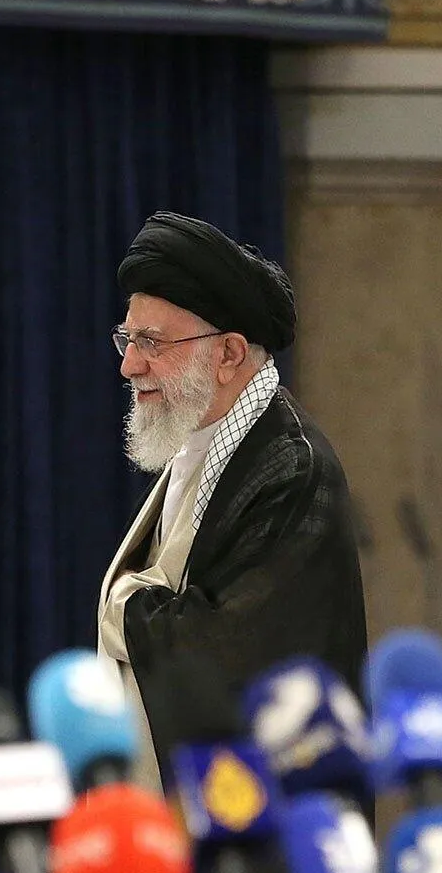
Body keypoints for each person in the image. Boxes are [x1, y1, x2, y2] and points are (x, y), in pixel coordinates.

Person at [97, 211, 367, 788]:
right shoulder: (201, 439)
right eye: (127, 338)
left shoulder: (292, 471)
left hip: (271, 818)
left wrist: (123, 606)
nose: (128, 365)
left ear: (228, 354)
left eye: (151, 342)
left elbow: (230, 650)